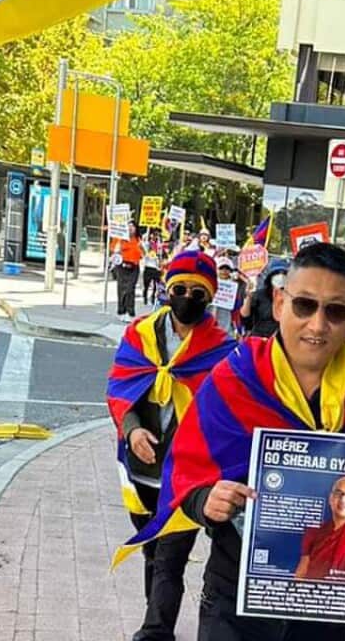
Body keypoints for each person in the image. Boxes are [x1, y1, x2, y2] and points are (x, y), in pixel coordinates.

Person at [118, 243, 345, 641]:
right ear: (279, 303)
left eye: (336, 311)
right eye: (305, 305)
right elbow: (185, 472)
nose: (318, 325)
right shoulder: (233, 379)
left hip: (323, 599)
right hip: (237, 593)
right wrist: (207, 502)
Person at [107, 250, 237, 641]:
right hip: (141, 469)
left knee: (170, 556)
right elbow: (119, 387)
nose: (186, 298)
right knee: (151, 550)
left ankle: (155, 630)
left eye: (198, 292)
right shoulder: (140, 334)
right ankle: (156, 616)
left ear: (210, 297)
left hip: (188, 474)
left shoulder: (221, 350)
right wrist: (132, 431)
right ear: (166, 289)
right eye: (179, 289)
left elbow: (227, 415)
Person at [295, 476, 345, 581]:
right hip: (312, 592)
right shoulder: (315, 531)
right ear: (330, 499)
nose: (343, 500)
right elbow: (301, 573)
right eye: (338, 493)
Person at [241, 259, 289, 338]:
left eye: (284, 273)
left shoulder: (291, 297)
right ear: (270, 276)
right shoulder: (260, 295)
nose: (280, 276)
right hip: (259, 340)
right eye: (277, 273)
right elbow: (245, 319)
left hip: (280, 342)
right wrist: (248, 297)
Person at [113, 222, 144, 321]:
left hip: (134, 267)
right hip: (122, 266)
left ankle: (130, 312)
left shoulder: (138, 240)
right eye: (129, 227)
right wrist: (117, 248)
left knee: (130, 289)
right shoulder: (120, 239)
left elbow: (143, 255)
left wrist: (142, 247)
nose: (131, 228)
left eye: (133, 227)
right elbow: (114, 251)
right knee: (122, 289)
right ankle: (121, 311)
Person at [212, 257, 246, 335]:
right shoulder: (210, 284)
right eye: (221, 268)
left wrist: (239, 329)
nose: (224, 271)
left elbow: (237, 309)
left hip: (226, 328)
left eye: (227, 269)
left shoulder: (236, 287)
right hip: (208, 326)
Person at [142, 229, 164, 307]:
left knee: (156, 285)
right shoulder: (147, 244)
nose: (155, 236)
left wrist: (161, 264)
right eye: (153, 234)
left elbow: (161, 255)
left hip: (156, 267)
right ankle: (144, 297)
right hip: (148, 266)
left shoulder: (158, 244)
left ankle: (153, 298)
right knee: (146, 284)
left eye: (156, 235)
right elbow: (143, 247)